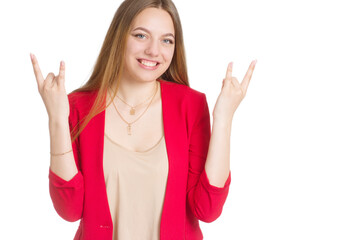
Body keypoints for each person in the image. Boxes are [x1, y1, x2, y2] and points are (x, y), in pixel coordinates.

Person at [30, 0, 257, 239]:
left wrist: (223, 118)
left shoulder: (190, 105)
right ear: (118, 37)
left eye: (166, 40)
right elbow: (69, 209)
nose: (154, 51)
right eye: (141, 35)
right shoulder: (78, 106)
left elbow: (208, 210)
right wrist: (56, 118)